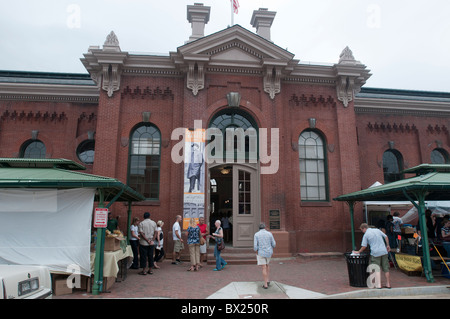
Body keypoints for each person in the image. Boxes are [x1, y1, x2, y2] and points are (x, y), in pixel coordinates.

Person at [353, 223, 391, 289]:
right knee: (386, 268)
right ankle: (388, 284)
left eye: (362, 230)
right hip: (384, 251)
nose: (362, 231)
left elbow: (364, 246)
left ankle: (379, 285)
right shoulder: (377, 230)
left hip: (375, 253)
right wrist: (387, 245)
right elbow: (386, 237)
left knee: (377, 268)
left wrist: (358, 251)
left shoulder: (366, 235)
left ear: (364, 228)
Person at [253, 223, 276, 289]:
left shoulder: (256, 234)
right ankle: (268, 280)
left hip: (261, 252)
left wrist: (256, 250)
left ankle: (265, 284)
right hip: (269, 252)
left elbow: (255, 246)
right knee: (267, 265)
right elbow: (274, 244)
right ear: (265, 227)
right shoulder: (269, 234)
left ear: (259, 228)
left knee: (263, 267)